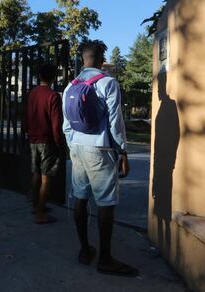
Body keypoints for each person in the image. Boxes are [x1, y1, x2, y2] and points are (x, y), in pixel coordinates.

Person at [62, 40, 139, 276]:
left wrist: (74, 146)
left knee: (80, 197)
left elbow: (66, 125)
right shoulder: (107, 82)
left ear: (83, 58)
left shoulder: (70, 86)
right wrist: (122, 150)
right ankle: (105, 258)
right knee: (106, 202)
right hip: (100, 149)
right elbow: (116, 121)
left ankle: (85, 250)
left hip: (76, 146)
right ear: (101, 58)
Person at [25, 63, 64, 224]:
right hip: (47, 141)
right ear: (53, 77)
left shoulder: (32, 93)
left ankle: (36, 205)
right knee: (46, 177)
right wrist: (59, 143)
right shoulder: (53, 96)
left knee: (36, 173)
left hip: (33, 139)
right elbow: (56, 124)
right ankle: (40, 214)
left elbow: (26, 116)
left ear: (39, 76)